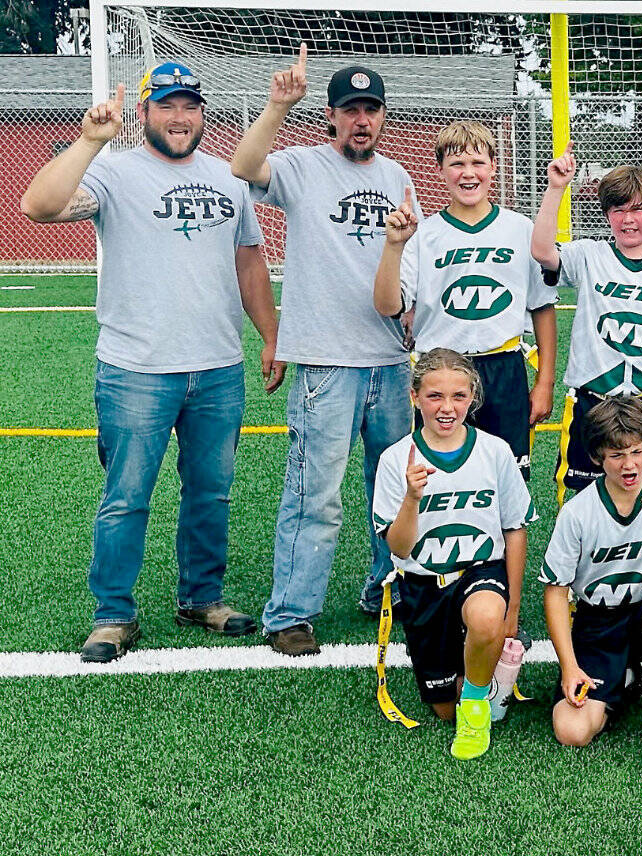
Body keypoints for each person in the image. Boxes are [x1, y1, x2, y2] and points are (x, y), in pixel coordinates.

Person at [20, 64, 281, 662]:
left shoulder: (228, 177)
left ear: (202, 112)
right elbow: (37, 205)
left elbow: (249, 263)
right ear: (144, 114)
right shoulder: (111, 170)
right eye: (167, 105)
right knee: (126, 496)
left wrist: (269, 334)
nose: (180, 116)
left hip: (216, 368)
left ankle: (201, 598)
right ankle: (113, 614)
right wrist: (89, 139)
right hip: (135, 369)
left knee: (211, 494)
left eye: (189, 104)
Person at [231, 45, 417, 655]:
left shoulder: (397, 177)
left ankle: (382, 588)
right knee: (317, 493)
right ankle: (290, 611)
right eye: (349, 110)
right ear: (332, 117)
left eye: (371, 109)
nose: (361, 119)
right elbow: (243, 164)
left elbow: (404, 263)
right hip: (328, 363)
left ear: (384, 116)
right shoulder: (300, 166)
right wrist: (277, 105)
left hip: (390, 362)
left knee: (389, 487)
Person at [371, 348, 534, 760]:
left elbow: (515, 528)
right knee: (444, 707)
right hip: (424, 585)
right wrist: (411, 497)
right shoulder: (395, 460)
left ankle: (477, 703)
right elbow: (399, 547)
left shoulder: (494, 451)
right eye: (435, 396)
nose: (447, 408)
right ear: (414, 397)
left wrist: (511, 606)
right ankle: (478, 675)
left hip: (480, 571)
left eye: (459, 396)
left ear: (473, 397)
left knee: (486, 617)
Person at [373, 120, 558, 480]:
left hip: (504, 369)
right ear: (440, 170)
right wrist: (393, 245)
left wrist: (545, 382)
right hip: (441, 373)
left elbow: (542, 307)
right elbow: (386, 306)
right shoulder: (423, 235)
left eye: (477, 163)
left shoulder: (520, 230)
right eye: (457, 164)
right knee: (440, 481)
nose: (468, 173)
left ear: (494, 167)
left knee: (508, 481)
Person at [532, 154, 642, 503]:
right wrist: (555, 188)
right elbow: (541, 251)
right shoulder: (589, 255)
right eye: (618, 210)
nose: (628, 220)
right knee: (580, 501)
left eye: (638, 209)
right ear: (607, 214)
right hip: (591, 401)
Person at [540, 397, 642, 781]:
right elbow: (555, 591)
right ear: (597, 457)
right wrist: (570, 666)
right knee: (572, 731)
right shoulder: (578, 511)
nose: (629, 465)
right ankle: (628, 680)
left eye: (637, 452)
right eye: (616, 455)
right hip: (597, 622)